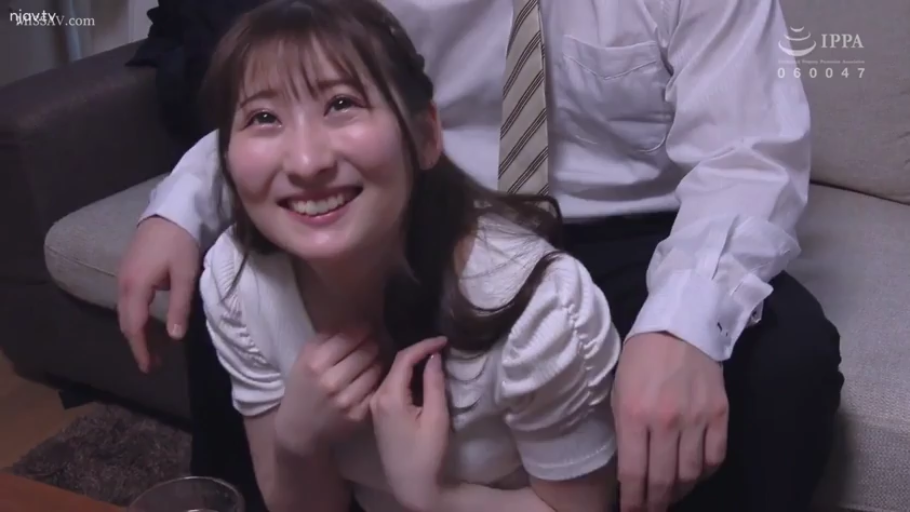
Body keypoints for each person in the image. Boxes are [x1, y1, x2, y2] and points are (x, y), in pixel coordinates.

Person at [117, 0, 845, 510]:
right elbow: (307, 88)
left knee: (785, 359)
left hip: (632, 228)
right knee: (238, 283)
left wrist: (681, 326)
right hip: (441, 204)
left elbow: (748, 152)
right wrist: (182, 207)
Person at [195, 1, 621, 511]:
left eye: (341, 104)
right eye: (264, 117)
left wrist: (436, 498)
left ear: (424, 136)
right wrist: (297, 442)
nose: (307, 162)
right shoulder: (236, 283)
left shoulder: (540, 311)